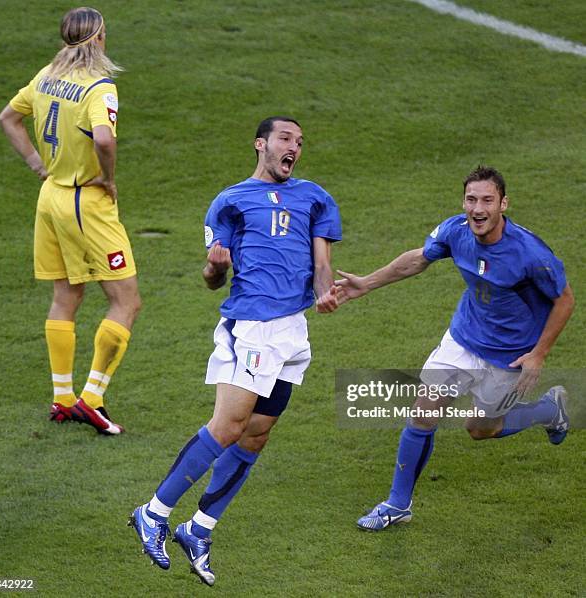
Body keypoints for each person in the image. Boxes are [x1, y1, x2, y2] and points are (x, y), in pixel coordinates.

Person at [129, 116, 342, 585]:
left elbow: (323, 264)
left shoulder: (316, 198)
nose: (295, 148)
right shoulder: (229, 202)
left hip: (293, 332)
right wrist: (213, 267)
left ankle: (198, 528)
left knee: (255, 436)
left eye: (301, 142)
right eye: (286, 139)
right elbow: (212, 281)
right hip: (251, 328)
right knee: (227, 426)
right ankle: (154, 511)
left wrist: (326, 292)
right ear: (260, 144)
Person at [335, 166, 574, 531]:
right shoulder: (456, 232)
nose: (478, 209)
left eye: (487, 200)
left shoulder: (529, 253)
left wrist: (539, 355)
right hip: (463, 340)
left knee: (480, 430)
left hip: (509, 355)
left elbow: (565, 301)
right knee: (423, 411)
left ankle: (547, 410)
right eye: (471, 199)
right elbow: (417, 258)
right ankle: (398, 504)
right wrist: (367, 284)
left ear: (503, 204)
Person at [0, 7, 140, 435]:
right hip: (85, 202)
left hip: (51, 197)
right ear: (98, 38)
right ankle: (91, 399)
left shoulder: (45, 77)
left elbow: (8, 117)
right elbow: (104, 138)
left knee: (67, 295)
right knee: (126, 301)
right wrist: (109, 179)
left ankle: (62, 398)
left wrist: (34, 162)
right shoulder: (100, 87)